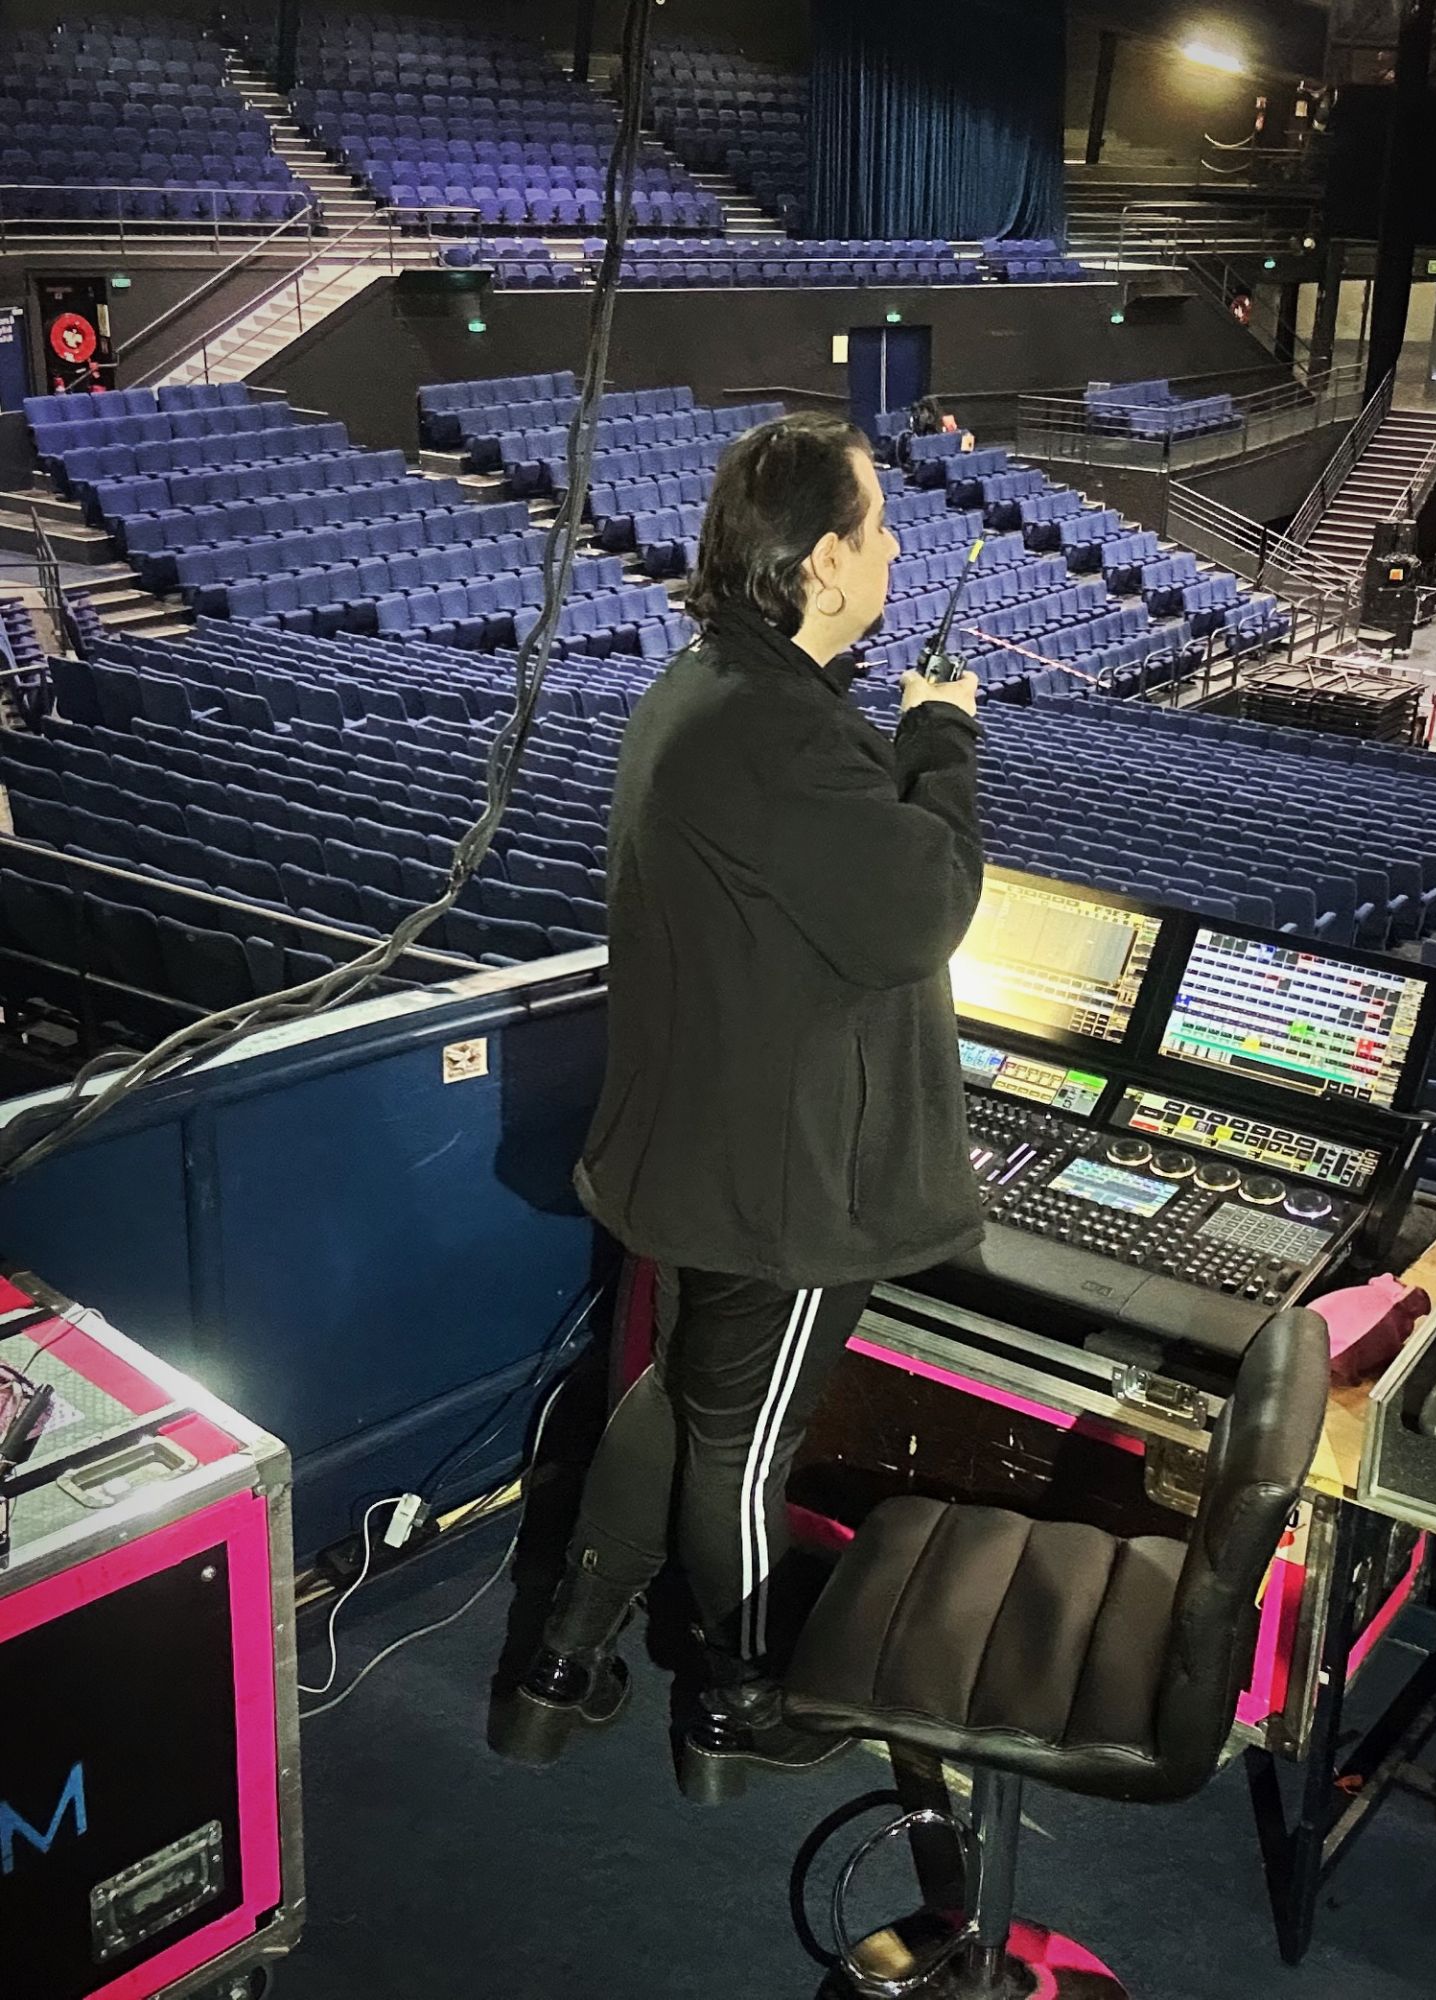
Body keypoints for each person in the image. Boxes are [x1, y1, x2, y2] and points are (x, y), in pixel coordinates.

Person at [492, 413, 986, 1800]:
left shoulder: (708, 690)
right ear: (824, 561)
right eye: (876, 527)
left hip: (698, 1150)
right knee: (743, 1448)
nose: (893, 548)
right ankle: (740, 1702)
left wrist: (883, 738)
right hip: (782, 1183)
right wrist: (943, 738)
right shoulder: (781, 737)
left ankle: (558, 1669)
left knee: (681, 1399)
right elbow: (924, 910)